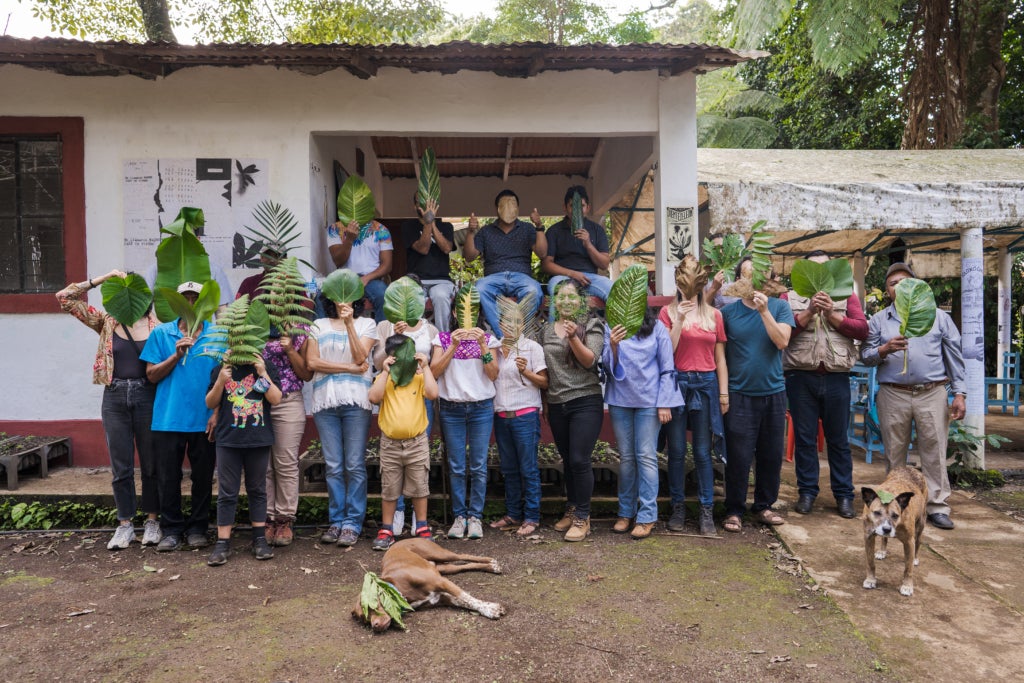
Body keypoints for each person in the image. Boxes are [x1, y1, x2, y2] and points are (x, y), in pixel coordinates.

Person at [57, 269, 161, 550]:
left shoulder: (157, 325)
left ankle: (152, 521)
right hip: (114, 396)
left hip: (147, 395)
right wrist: (100, 280)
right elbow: (65, 298)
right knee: (121, 465)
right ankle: (125, 524)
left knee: (151, 463)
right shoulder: (106, 322)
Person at [861, 262, 966, 530]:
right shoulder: (878, 320)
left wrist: (960, 393)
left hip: (932, 393)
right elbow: (866, 356)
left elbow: (954, 356)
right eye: (892, 283)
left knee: (934, 450)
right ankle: (894, 507)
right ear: (887, 290)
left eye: (904, 281)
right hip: (893, 394)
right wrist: (884, 349)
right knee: (895, 455)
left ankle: (937, 506)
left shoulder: (938, 317)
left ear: (916, 287)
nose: (898, 286)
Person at [784, 251, 868, 519]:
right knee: (805, 440)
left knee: (839, 440)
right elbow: (783, 332)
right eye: (814, 268)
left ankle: (844, 495)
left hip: (836, 377)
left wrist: (832, 313)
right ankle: (807, 492)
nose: (820, 273)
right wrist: (808, 310)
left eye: (826, 268)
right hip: (800, 376)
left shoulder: (847, 296)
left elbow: (861, 330)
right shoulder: (789, 297)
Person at [140, 281, 220, 551]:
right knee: (168, 477)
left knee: (203, 476)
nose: (189, 302)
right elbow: (151, 375)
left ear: (203, 303)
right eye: (184, 297)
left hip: (204, 418)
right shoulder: (162, 333)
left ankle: (198, 528)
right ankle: (171, 529)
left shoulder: (216, 334)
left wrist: (217, 413)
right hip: (168, 418)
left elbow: (224, 379)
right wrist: (176, 355)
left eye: (195, 298)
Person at [306, 295, 378, 547]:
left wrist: (349, 324)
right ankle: (336, 521)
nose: (342, 300)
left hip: (356, 402)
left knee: (355, 465)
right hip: (325, 401)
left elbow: (361, 358)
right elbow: (312, 362)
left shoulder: (366, 324)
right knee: (334, 465)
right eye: (337, 295)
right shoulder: (318, 325)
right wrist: (348, 368)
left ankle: (352, 523)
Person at [720, 286, 794, 533]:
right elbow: (720, 352)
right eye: (748, 275)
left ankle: (763, 505)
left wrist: (764, 311)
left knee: (771, 454)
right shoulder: (729, 312)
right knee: (738, 456)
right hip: (739, 393)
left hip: (773, 391)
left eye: (759, 275)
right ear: (741, 280)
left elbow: (782, 341)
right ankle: (733, 510)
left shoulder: (779, 306)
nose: (754, 282)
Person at [604, 308, 682, 539]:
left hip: (649, 400)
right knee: (626, 457)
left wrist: (665, 402)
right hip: (620, 400)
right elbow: (607, 369)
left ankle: (647, 515)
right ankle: (625, 512)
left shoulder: (657, 327)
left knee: (646, 455)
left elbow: (668, 367)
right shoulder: (613, 325)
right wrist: (614, 345)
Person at [659, 284, 728, 537]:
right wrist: (679, 319)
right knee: (676, 450)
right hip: (678, 381)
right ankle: (678, 508)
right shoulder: (667, 312)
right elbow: (667, 351)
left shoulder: (714, 314)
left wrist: (723, 392)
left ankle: (706, 510)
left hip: (707, 383)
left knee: (702, 451)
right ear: (678, 283)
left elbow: (720, 358)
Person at [372, 275, 439, 536]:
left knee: (419, 477)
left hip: (417, 416)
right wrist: (394, 337)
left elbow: (432, 392)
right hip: (390, 431)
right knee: (390, 482)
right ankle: (391, 523)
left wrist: (424, 367)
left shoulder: (429, 331)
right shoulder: (384, 326)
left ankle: (419, 523)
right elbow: (377, 368)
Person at [541, 280, 605, 542]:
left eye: (572, 297)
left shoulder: (591, 324)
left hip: (585, 400)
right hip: (557, 403)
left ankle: (583, 517)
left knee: (580, 459)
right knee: (567, 460)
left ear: (582, 301)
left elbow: (591, 359)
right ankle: (572, 507)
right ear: (554, 302)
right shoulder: (545, 330)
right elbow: (541, 367)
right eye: (561, 297)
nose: (566, 301)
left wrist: (572, 338)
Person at [204, 357, 283, 566]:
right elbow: (210, 402)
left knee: (257, 489)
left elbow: (275, 399)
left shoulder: (266, 366)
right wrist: (221, 380)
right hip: (227, 440)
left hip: (258, 439)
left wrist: (263, 373)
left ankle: (259, 539)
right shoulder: (222, 368)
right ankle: (222, 542)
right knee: (227, 491)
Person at [430, 317, 501, 540]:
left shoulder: (488, 339)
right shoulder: (442, 338)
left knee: (478, 465)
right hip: (451, 408)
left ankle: (475, 517)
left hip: (481, 407)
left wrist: (482, 345)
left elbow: (493, 373)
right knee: (457, 465)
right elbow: (433, 371)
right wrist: (452, 345)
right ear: (454, 312)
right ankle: (459, 517)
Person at [367, 335, 439, 550]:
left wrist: (425, 367)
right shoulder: (385, 378)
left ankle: (422, 527)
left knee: (419, 486)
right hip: (390, 444)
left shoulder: (418, 377)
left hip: (416, 442)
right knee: (390, 488)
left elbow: (433, 393)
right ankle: (387, 529)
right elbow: (373, 397)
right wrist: (384, 371)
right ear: (390, 357)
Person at [489, 310, 548, 537]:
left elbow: (544, 382)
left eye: (516, 321)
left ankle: (532, 517)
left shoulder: (532, 347)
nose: (511, 325)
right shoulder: (495, 347)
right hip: (501, 416)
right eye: (506, 321)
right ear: (500, 323)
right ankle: (513, 514)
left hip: (525, 415)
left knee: (528, 468)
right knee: (509, 469)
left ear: (523, 324)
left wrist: (527, 371)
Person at [463, 189, 546, 338]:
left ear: (518, 208)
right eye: (504, 204)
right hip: (494, 278)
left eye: (512, 204)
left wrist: (539, 226)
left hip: (521, 277)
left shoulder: (527, 228)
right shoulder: (486, 231)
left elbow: (542, 253)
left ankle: (517, 333)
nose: (508, 208)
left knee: (534, 291)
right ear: (497, 209)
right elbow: (469, 257)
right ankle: (502, 336)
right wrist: (470, 231)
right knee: (479, 289)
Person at [262, 325, 313, 547]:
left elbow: (306, 374)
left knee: (285, 462)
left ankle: (284, 519)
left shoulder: (300, 329)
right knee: (262, 464)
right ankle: (265, 518)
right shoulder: (253, 324)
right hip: (257, 400)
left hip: (288, 400)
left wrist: (291, 349)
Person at [541, 186, 612, 313]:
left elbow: (604, 264)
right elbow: (546, 265)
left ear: (587, 208)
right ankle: (554, 332)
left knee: (613, 291)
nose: (577, 210)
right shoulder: (554, 231)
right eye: (572, 206)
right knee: (558, 294)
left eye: (582, 206)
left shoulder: (596, 230)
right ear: (565, 208)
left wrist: (588, 245)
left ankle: (615, 332)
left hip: (590, 279)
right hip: (562, 277)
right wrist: (572, 274)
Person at [401, 197, 456, 332]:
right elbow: (423, 248)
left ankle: (443, 342)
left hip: (441, 281)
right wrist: (427, 222)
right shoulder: (408, 226)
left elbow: (446, 248)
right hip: (416, 281)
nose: (425, 206)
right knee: (413, 298)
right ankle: (415, 341)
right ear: (415, 206)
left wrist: (432, 223)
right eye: (420, 202)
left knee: (441, 296)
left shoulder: (447, 226)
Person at [327, 216, 393, 323]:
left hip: (371, 279)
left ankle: (382, 337)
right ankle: (320, 336)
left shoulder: (381, 229)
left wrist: (366, 278)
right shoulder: (335, 228)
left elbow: (387, 265)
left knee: (383, 295)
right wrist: (349, 239)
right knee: (321, 296)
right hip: (344, 279)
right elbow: (338, 261)